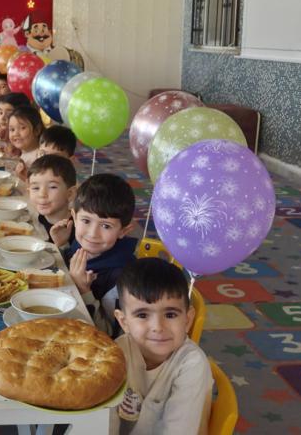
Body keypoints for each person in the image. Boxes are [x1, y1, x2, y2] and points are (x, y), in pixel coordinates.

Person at [113, 258, 212, 434]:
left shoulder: (191, 364)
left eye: (170, 314)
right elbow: (106, 418)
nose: (158, 327)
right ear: (124, 322)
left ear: (187, 320)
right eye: (142, 315)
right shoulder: (117, 353)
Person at [64, 173, 138, 336]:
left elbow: (108, 334)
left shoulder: (121, 280)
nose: (93, 234)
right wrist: (62, 245)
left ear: (123, 231)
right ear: (74, 218)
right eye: (86, 221)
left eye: (106, 226)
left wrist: (84, 290)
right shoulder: (82, 244)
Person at [28, 154, 76, 250]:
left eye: (52, 187)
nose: (42, 194)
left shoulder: (77, 228)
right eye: (36, 188)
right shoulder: (38, 218)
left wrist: (63, 244)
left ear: (70, 194)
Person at [8, 105, 44, 171]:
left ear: (37, 130)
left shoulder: (40, 157)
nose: (16, 134)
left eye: (22, 128)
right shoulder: (23, 152)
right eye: (12, 129)